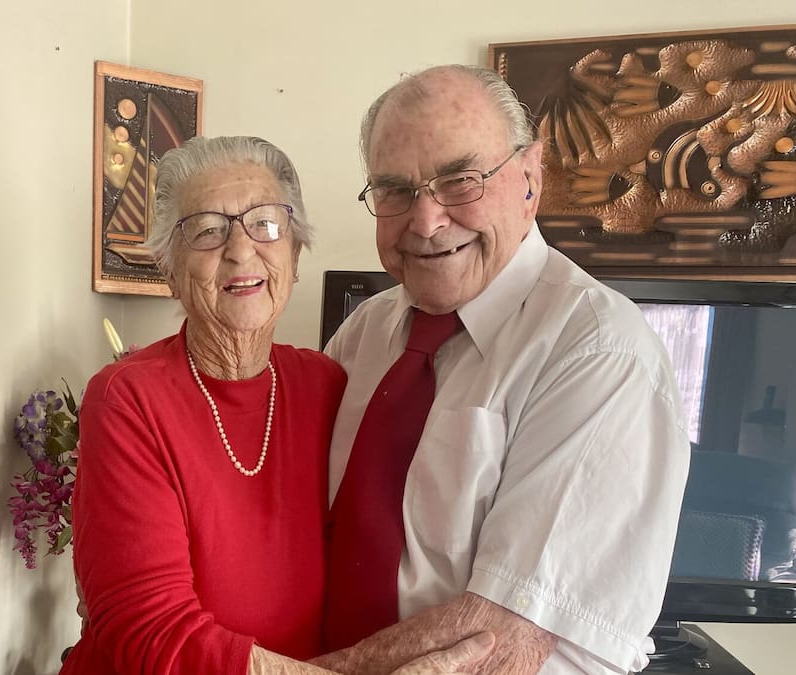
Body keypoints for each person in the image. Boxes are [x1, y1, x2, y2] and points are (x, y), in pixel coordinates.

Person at [62, 135, 493, 675]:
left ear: (294, 254)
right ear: (170, 272)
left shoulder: (329, 385)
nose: (241, 250)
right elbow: (148, 632)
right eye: (207, 230)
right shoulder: (129, 398)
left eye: (265, 223)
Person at [317, 65, 691, 674]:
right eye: (394, 190)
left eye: (461, 180)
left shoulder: (597, 351)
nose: (427, 220)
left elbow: (499, 641)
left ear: (530, 178)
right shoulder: (363, 335)